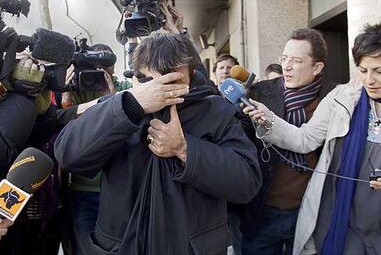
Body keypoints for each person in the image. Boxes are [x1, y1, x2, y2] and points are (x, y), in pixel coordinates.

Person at [54, 31, 262, 254]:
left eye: (173, 75)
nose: (163, 85)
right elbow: (69, 155)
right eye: (152, 78)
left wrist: (185, 149)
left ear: (190, 72)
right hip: (123, 245)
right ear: (137, 75)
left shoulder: (215, 110)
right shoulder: (120, 106)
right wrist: (131, 106)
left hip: (190, 246)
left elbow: (247, 182)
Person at [244, 23, 381, 255]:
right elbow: (305, 138)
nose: (370, 80)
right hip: (346, 215)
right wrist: (268, 120)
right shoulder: (343, 98)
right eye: (363, 70)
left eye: (379, 71)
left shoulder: (329, 92)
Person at [235, 28, 336, 255]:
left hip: (309, 211)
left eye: (297, 60)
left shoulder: (334, 98)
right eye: (284, 58)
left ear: (317, 67)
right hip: (262, 210)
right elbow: (239, 139)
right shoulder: (261, 92)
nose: (287, 67)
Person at [61, 44, 131, 255]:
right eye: (95, 66)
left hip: (118, 186)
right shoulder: (76, 89)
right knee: (84, 247)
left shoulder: (125, 86)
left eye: (106, 67)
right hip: (83, 188)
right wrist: (67, 103)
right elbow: (66, 136)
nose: (100, 72)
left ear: (113, 68)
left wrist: (111, 97)